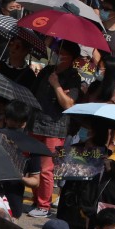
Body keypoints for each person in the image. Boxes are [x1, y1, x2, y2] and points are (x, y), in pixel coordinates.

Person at [29, 40, 83, 218]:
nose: (58, 55)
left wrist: (56, 84)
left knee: (46, 169)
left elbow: (68, 104)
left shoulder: (73, 77)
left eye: (62, 52)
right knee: (33, 166)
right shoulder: (47, 70)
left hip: (55, 128)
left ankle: (44, 205)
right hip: (36, 123)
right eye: (57, 51)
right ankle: (36, 200)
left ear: (71, 58)